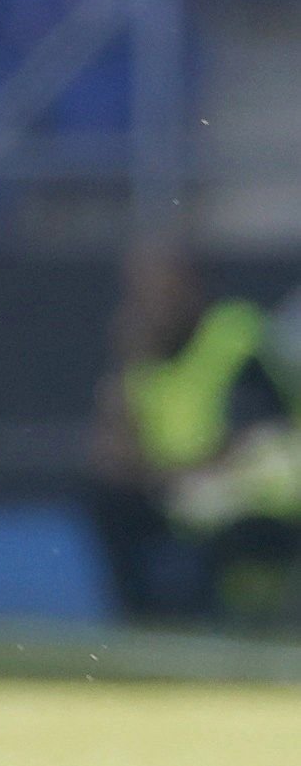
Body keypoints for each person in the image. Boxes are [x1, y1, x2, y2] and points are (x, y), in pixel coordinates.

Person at [86, 243, 301, 622]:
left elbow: (255, 433)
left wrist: (180, 477)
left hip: (255, 492)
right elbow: (113, 452)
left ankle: (208, 618)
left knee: (208, 514)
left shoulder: (234, 335)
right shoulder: (144, 354)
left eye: (164, 290)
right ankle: (139, 619)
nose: (152, 304)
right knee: (109, 500)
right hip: (182, 489)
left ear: (193, 288)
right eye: (142, 293)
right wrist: (123, 368)